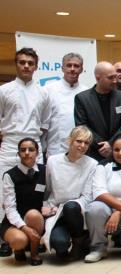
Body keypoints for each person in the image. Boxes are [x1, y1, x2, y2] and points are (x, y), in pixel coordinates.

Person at [0, 48, 51, 256]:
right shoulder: (4, 90)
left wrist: (35, 146)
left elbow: (45, 124)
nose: (26, 66)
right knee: (2, 193)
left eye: (30, 62)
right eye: (22, 62)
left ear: (36, 66)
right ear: (16, 64)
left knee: (33, 192)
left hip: (33, 143)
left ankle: (34, 236)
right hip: (11, 143)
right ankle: (4, 238)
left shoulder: (43, 92)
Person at [42, 126, 97, 260]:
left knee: (70, 207)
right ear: (70, 141)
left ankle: (79, 240)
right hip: (57, 212)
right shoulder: (53, 161)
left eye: (86, 143)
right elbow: (48, 189)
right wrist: (47, 206)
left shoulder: (92, 164)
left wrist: (71, 205)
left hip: (77, 212)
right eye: (79, 141)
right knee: (60, 245)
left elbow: (87, 196)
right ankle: (68, 241)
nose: (82, 145)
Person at [74, 61, 121, 161]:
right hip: (93, 153)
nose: (115, 81)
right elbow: (82, 126)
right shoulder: (82, 98)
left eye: (115, 77)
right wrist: (102, 146)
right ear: (98, 78)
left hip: (117, 152)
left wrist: (111, 144)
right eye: (110, 78)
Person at [1, 138, 45, 265]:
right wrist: (24, 228)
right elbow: (9, 209)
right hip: (13, 221)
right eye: (23, 150)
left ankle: (34, 252)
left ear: (37, 153)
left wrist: (49, 206)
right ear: (18, 153)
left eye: (31, 150)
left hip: (36, 219)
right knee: (19, 240)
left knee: (34, 214)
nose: (27, 153)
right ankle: (19, 249)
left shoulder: (44, 171)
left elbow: (50, 195)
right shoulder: (10, 175)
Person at [44, 52, 88, 157]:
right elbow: (44, 123)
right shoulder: (48, 90)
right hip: (56, 149)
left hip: (81, 150)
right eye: (69, 65)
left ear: (81, 69)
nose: (72, 69)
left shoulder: (87, 92)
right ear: (62, 68)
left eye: (76, 66)